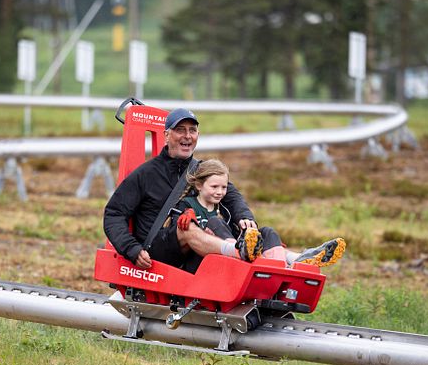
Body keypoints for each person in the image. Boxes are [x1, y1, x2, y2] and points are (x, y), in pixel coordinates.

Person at [104, 108, 260, 271]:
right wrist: (132, 249)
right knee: (186, 227)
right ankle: (240, 254)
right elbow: (114, 213)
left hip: (194, 249)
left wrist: (244, 217)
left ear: (197, 136)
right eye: (180, 130)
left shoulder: (201, 170)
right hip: (156, 250)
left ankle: (274, 267)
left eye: (192, 130)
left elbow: (232, 196)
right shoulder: (146, 174)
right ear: (166, 135)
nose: (187, 136)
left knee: (264, 232)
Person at [173, 159, 346, 270]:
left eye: (224, 187)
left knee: (268, 232)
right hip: (202, 262)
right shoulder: (188, 205)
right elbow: (180, 235)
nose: (220, 192)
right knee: (215, 222)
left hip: (230, 259)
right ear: (199, 185)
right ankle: (244, 255)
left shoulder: (224, 209)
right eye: (214, 187)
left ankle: (292, 263)